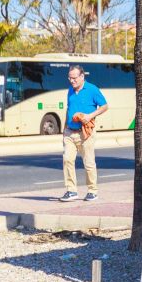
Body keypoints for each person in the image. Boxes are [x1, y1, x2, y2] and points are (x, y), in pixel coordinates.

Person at [59, 65, 108, 202]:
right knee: (67, 159)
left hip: (86, 133)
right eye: (69, 78)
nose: (71, 81)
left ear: (82, 77)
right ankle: (71, 191)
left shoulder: (92, 89)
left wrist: (90, 115)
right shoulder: (70, 90)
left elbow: (105, 106)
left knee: (88, 162)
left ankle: (92, 191)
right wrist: (64, 130)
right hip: (70, 132)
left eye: (74, 78)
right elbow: (68, 110)